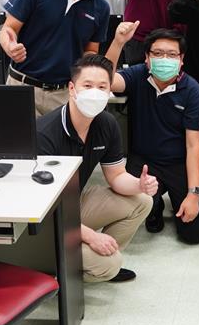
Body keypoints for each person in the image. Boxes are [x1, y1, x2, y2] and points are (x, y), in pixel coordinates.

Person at [36, 54, 157, 283]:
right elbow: (46, 207)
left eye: (102, 87)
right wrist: (91, 236)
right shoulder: (45, 134)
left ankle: (99, 255)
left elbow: (117, 176)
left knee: (142, 200)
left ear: (110, 91)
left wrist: (139, 184)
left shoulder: (106, 124)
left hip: (74, 205)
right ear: (72, 89)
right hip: (46, 220)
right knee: (109, 266)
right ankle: (55, 266)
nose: (95, 92)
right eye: (87, 85)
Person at [106, 27, 199, 243]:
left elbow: (193, 146)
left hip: (179, 163)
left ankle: (167, 197)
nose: (164, 59)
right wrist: (117, 43)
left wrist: (193, 194)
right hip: (144, 162)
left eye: (172, 55)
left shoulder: (192, 90)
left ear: (181, 60)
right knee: (130, 214)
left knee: (194, 234)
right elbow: (106, 80)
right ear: (147, 58)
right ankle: (154, 205)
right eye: (157, 53)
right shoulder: (137, 75)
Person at [0, 0, 113, 116]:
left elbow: (90, 51)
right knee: (17, 135)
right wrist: (10, 45)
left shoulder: (101, 8)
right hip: (22, 86)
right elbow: (9, 28)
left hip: (64, 94)